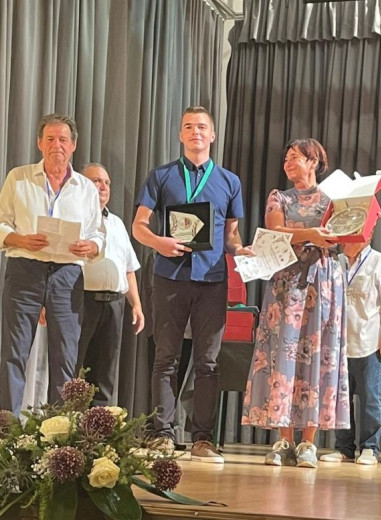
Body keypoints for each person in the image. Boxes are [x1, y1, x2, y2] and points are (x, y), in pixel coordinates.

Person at [132, 106, 253, 463]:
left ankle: (202, 438)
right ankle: (163, 434)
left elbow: (231, 235)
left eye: (202, 127)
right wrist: (159, 242)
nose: (195, 131)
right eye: (188, 126)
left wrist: (241, 249)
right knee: (165, 358)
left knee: (209, 363)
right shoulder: (161, 176)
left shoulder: (229, 181)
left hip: (212, 279)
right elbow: (139, 225)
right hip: (169, 275)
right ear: (181, 135)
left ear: (212, 135)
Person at [241, 138, 349, 469]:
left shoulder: (334, 198)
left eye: (296, 157)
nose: (289, 162)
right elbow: (276, 230)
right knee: (283, 355)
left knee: (319, 355)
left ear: (314, 162)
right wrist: (312, 235)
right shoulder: (280, 196)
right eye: (286, 157)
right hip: (287, 282)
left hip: (323, 280)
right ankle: (284, 438)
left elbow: (343, 235)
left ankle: (308, 444)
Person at [0, 113, 104, 416]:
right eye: (50, 138)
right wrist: (20, 240)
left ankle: (58, 432)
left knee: (65, 357)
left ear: (73, 145)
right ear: (39, 143)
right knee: (13, 354)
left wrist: (92, 246)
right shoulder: (19, 177)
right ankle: (6, 430)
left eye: (63, 139)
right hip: (24, 270)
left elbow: (97, 233)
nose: (57, 145)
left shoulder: (85, 188)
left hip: (67, 274)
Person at [320, 235, 381, 465]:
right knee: (339, 399)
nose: (342, 241)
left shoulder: (380, 263)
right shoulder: (337, 263)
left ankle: (370, 448)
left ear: (364, 238)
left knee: (370, 397)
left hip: (369, 341)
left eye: (349, 236)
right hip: (338, 343)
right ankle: (344, 447)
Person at [77, 163, 145, 406]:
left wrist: (136, 305)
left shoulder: (116, 222)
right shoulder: (75, 218)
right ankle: (66, 429)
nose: (103, 186)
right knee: (74, 369)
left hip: (114, 305)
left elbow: (128, 268)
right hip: (81, 302)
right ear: (82, 184)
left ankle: (98, 431)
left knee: (105, 372)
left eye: (106, 182)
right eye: (96, 181)